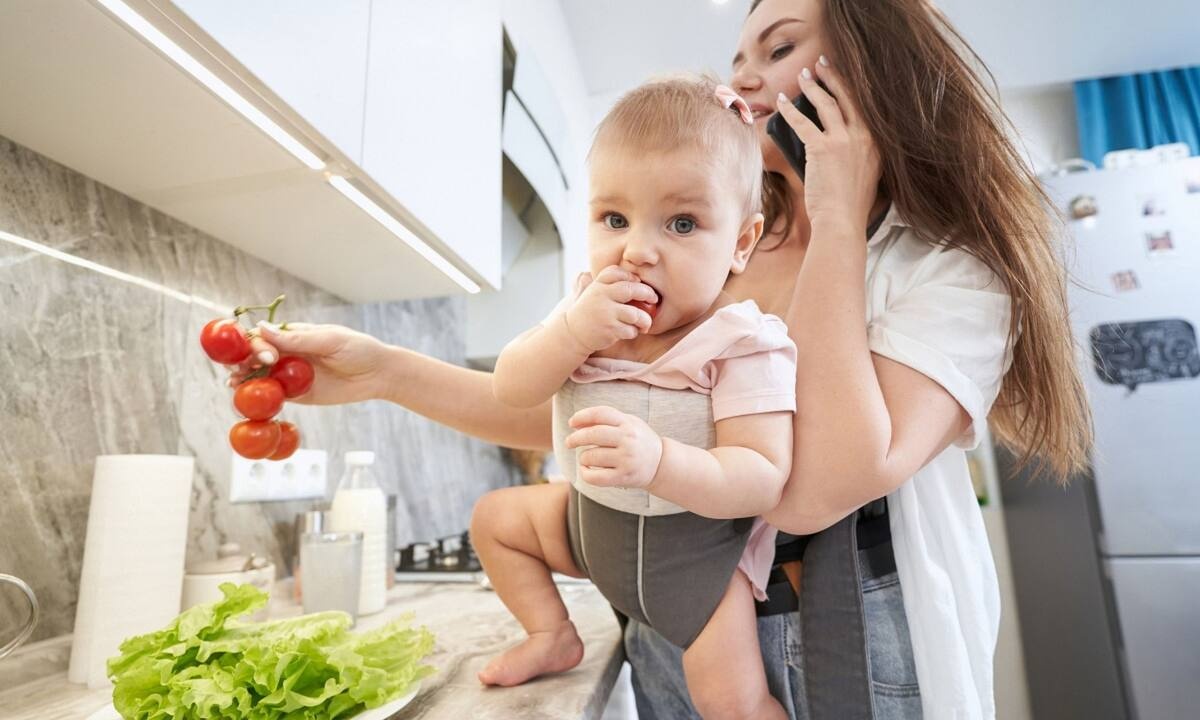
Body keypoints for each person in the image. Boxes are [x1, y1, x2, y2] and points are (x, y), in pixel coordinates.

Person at [235, 0, 1092, 715]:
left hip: (832, 643)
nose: (743, 78)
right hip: (666, 616)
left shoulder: (947, 268)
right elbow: (590, 405)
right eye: (739, 55)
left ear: (872, 66)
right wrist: (385, 370)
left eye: (780, 48)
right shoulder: (709, 251)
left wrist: (838, 221)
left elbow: (814, 489)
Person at [473, 77, 796, 720]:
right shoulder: (583, 309)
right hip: (588, 533)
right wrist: (570, 331)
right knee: (495, 520)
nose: (638, 250)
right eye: (614, 219)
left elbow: (761, 477)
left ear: (740, 242)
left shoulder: (742, 343)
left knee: (734, 706)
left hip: (695, 569)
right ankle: (551, 634)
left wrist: (659, 463)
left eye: (682, 223)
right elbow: (512, 390)